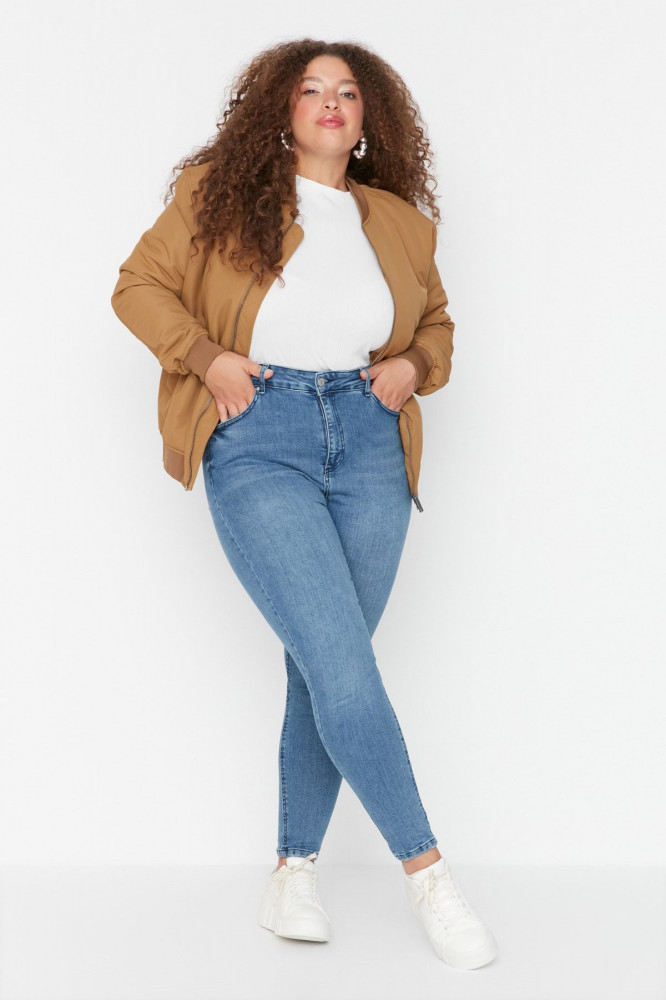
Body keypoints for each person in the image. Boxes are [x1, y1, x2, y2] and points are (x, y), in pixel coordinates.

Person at [110, 38, 498, 971]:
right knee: (344, 667)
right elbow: (137, 286)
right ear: (280, 113)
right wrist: (209, 360)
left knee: (324, 667)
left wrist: (413, 365)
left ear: (367, 121)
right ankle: (430, 875)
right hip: (260, 436)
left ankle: (292, 870)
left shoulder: (400, 223)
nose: (331, 102)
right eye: (311, 89)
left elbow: (437, 324)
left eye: (348, 92)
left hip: (369, 443)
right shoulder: (219, 196)